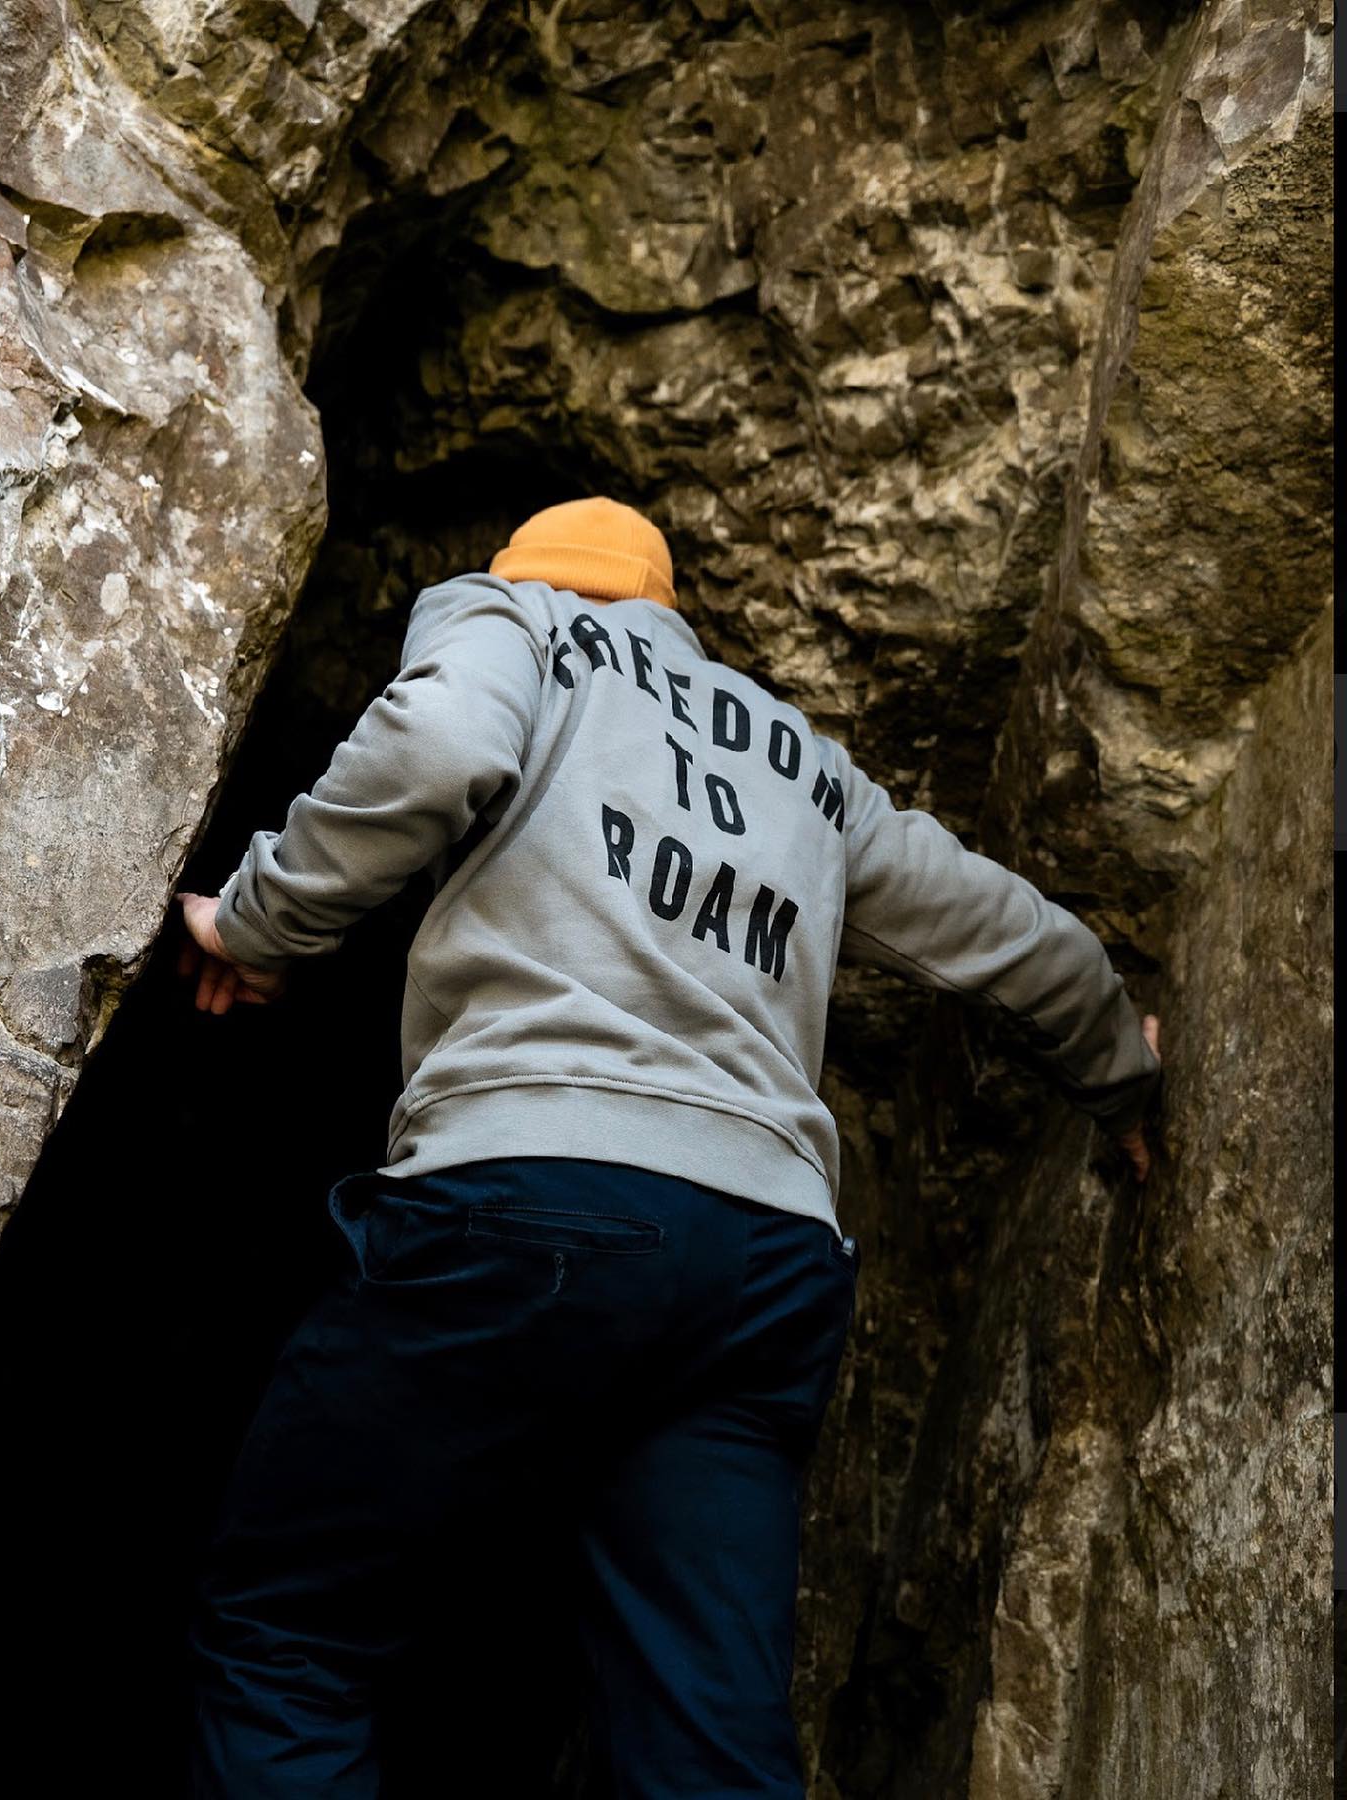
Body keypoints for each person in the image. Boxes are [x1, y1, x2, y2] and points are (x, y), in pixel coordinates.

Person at [176, 495, 1162, 1797]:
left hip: (530, 1204)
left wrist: (263, 923)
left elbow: (442, 738)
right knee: (707, 1750)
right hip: (762, 1268)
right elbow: (999, 929)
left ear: (535, 578)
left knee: (287, 1633)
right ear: (664, 612)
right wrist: (1120, 1067)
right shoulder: (799, 760)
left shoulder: (510, 621)